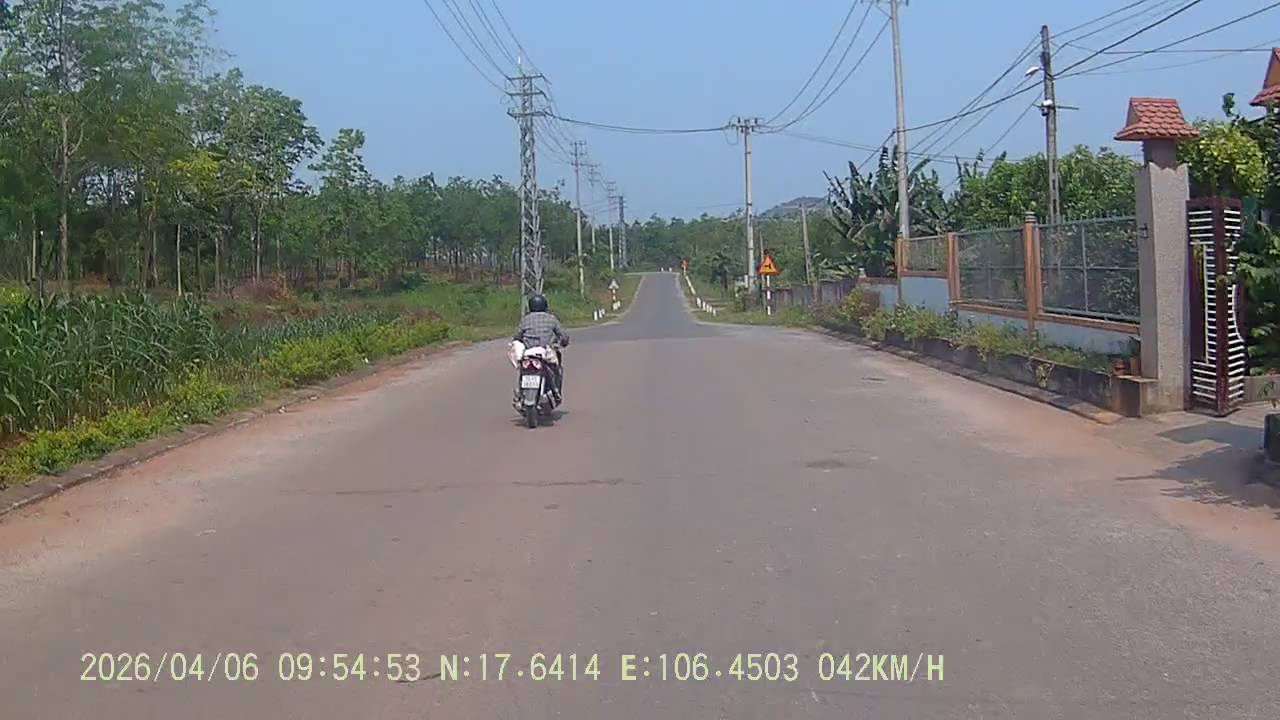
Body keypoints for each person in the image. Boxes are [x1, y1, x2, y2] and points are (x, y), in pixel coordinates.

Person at [513, 293, 569, 397]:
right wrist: (563, 343)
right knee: (557, 369)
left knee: (522, 369)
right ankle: (556, 391)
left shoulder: (525, 319)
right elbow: (563, 336)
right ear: (545, 306)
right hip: (546, 352)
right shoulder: (551, 319)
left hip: (529, 353)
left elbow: (517, 336)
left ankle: (520, 391)